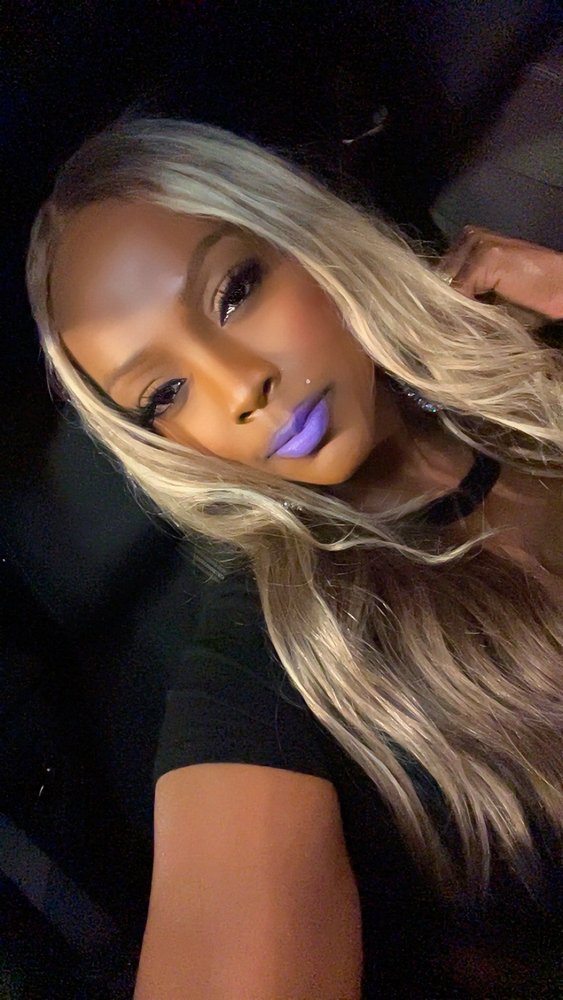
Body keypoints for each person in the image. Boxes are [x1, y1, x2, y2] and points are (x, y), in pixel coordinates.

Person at [25, 116, 563, 999]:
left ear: (308, 238)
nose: (240, 388)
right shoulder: (273, 657)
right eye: (165, 393)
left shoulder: (532, 371)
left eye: (234, 292)